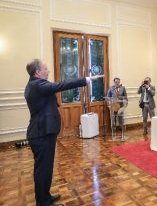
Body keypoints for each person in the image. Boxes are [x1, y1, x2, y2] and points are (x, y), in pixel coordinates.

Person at [24, 59, 103, 206]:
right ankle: (43, 203)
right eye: (45, 68)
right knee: (43, 170)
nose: (48, 70)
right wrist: (86, 79)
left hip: (42, 132)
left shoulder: (34, 85)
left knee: (45, 169)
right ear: (38, 72)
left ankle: (45, 198)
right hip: (42, 133)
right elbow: (61, 85)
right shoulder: (38, 84)